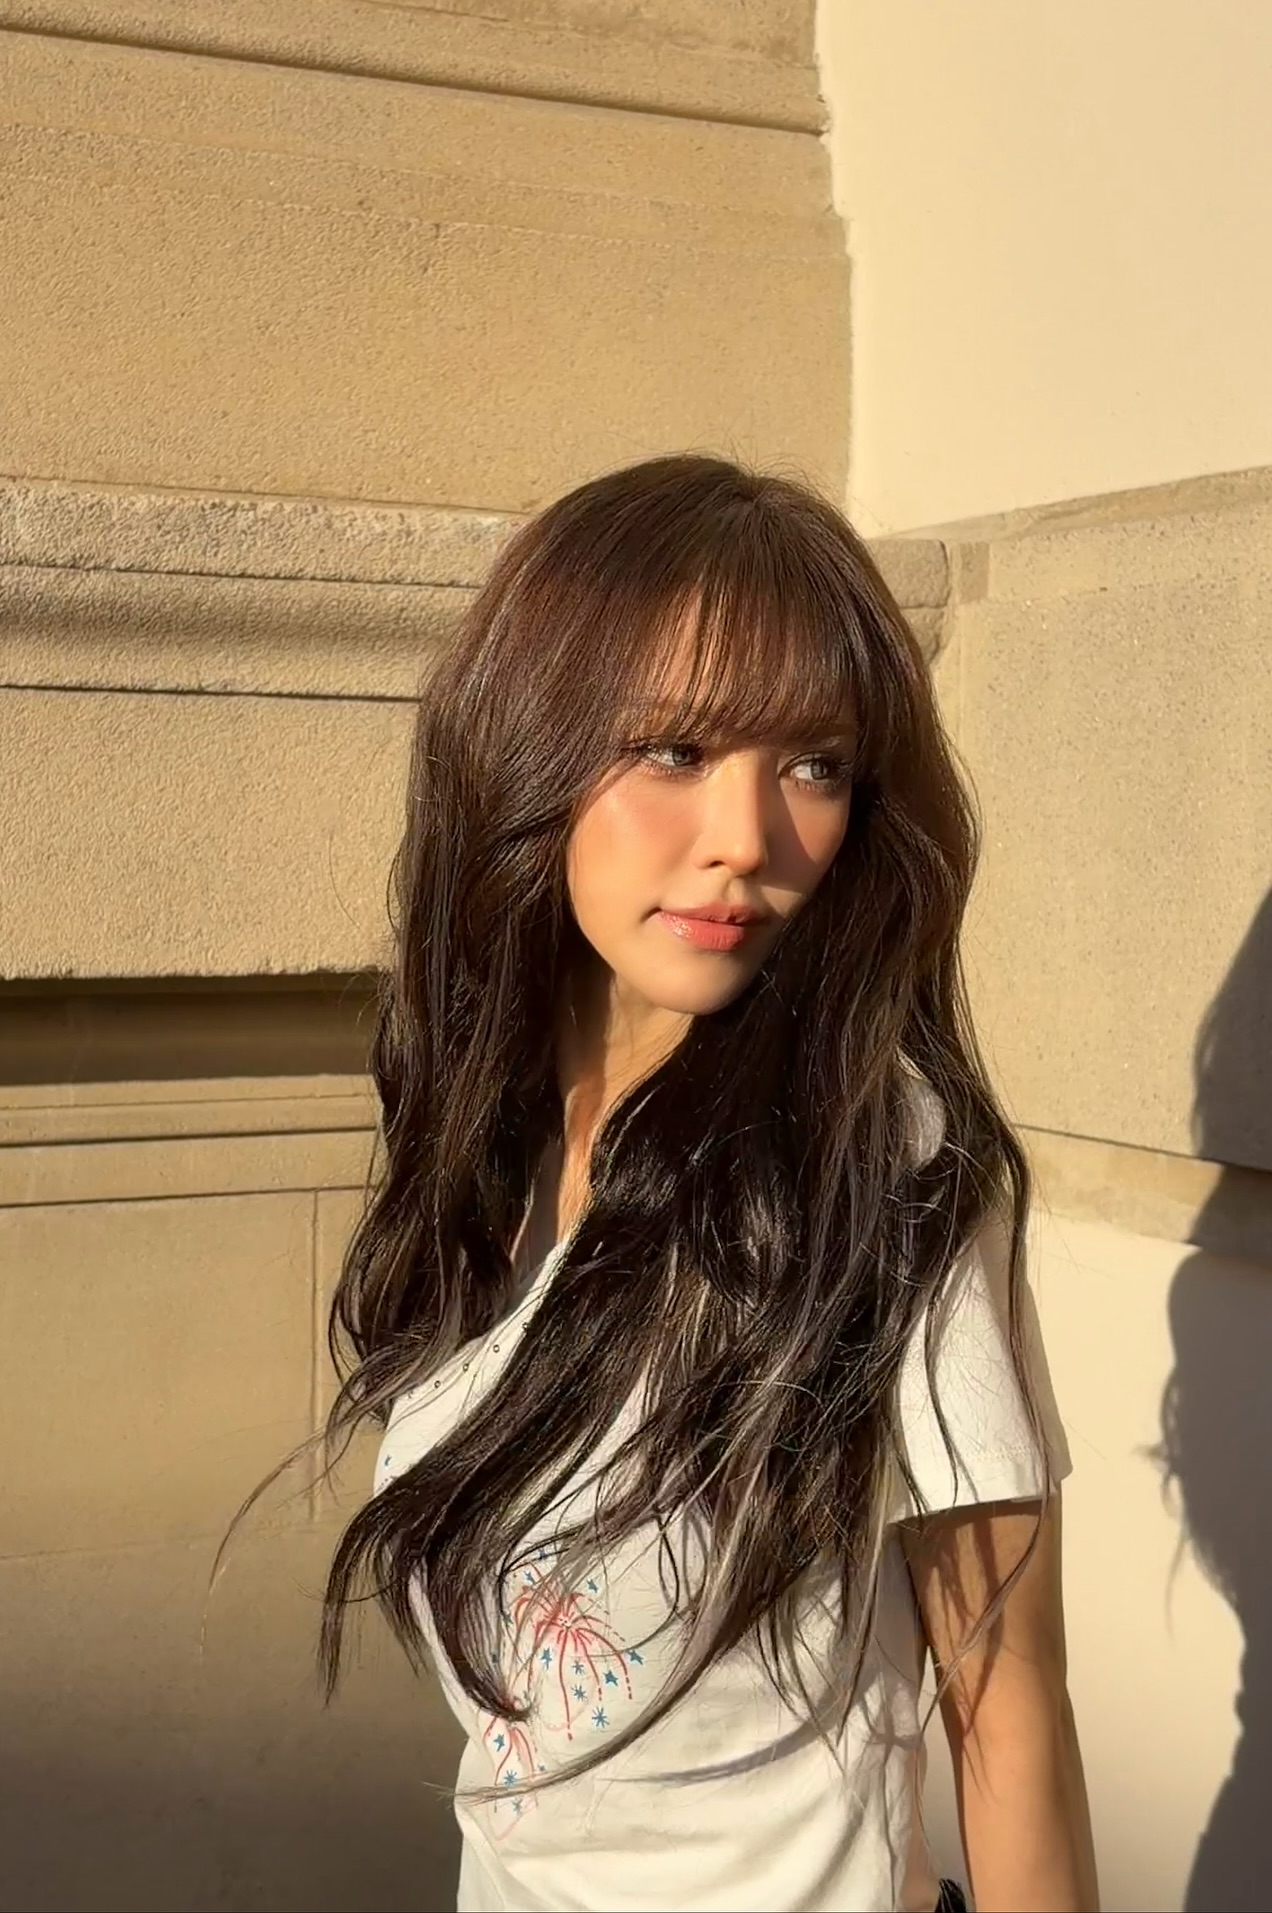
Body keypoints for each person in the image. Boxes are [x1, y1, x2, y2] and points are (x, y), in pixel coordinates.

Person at [317, 456, 1099, 1912]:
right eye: (675, 748)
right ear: (525, 746)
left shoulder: (880, 1164)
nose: (748, 838)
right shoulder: (488, 1138)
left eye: (815, 765)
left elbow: (1006, 1709)